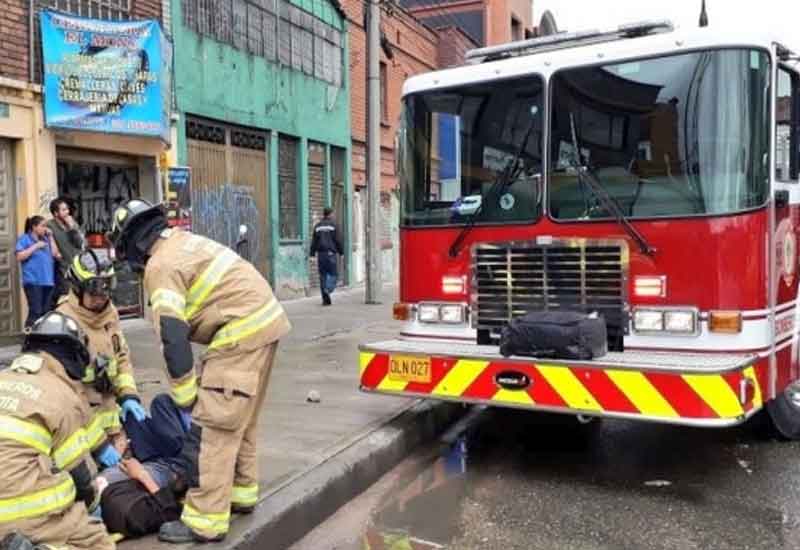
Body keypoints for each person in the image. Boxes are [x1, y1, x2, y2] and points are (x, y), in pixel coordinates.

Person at [107, 199, 291, 544]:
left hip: (239, 331)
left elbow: (173, 338)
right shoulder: (181, 242)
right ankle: (241, 493)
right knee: (241, 417)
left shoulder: (159, 267)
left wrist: (187, 398)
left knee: (213, 428)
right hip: (265, 322)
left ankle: (205, 520)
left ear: (131, 242)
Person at [0, 311, 115, 550]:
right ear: (73, 358)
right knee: (98, 542)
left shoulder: (4, 378)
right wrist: (93, 507)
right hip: (17, 514)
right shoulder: (62, 393)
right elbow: (79, 475)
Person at [56, 250, 146, 469]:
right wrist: (98, 444)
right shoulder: (63, 322)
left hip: (112, 417)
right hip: (82, 427)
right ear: (77, 289)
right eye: (95, 290)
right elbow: (68, 392)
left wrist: (128, 396)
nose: (102, 297)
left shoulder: (110, 313)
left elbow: (121, 356)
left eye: (107, 287)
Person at [97, 393, 192, 539]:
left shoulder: (103, 487)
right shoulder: (129, 516)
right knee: (161, 403)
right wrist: (141, 474)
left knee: (151, 405)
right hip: (173, 471)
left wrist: (120, 449)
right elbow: (170, 511)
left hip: (152, 459)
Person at [15, 216, 59, 328]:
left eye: (46, 226)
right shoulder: (25, 239)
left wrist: (51, 237)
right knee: (35, 312)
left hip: (48, 281)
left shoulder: (46, 239)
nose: (45, 229)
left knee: (46, 313)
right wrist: (35, 246)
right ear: (34, 227)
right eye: (43, 226)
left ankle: (42, 339)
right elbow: (19, 256)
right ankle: (29, 340)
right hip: (33, 282)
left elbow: (55, 254)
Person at [47, 197, 85, 308]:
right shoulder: (50, 226)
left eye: (67, 209)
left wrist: (72, 228)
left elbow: (80, 244)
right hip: (63, 271)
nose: (67, 212)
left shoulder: (72, 223)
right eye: (63, 210)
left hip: (79, 268)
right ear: (55, 213)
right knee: (66, 300)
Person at [309, 207, 343, 306]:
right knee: (334, 275)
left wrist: (312, 254)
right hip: (330, 254)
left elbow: (314, 241)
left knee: (323, 276)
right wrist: (341, 252)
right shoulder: (334, 225)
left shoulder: (317, 226)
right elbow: (338, 240)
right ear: (331, 214)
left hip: (321, 255)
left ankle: (325, 300)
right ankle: (328, 289)